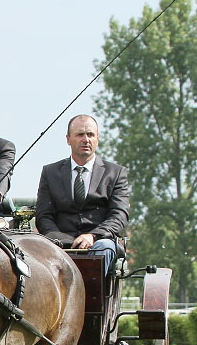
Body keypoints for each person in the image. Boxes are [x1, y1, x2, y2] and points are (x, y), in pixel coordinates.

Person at [35, 114, 129, 274]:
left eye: (90, 135)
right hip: (59, 243)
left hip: (99, 242)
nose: (86, 139)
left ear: (97, 139)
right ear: (68, 139)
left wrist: (93, 236)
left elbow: (119, 215)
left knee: (104, 248)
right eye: (80, 135)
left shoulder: (116, 173)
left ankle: (91, 298)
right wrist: (62, 240)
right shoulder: (50, 172)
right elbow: (44, 216)